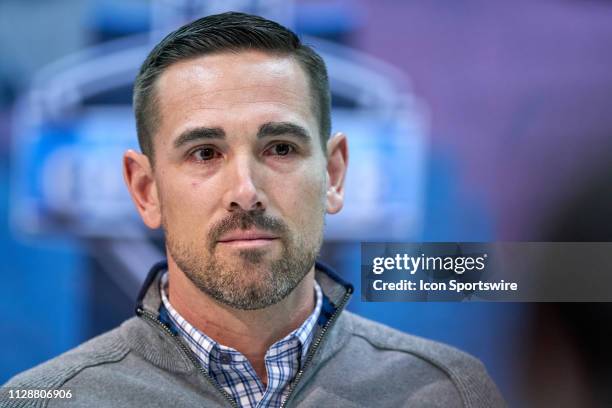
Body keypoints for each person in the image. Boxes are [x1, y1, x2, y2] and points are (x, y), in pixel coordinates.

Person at [1, 12, 504, 407]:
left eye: (280, 148)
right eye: (204, 153)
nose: (245, 190)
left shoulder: (448, 391)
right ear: (145, 189)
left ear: (333, 174)